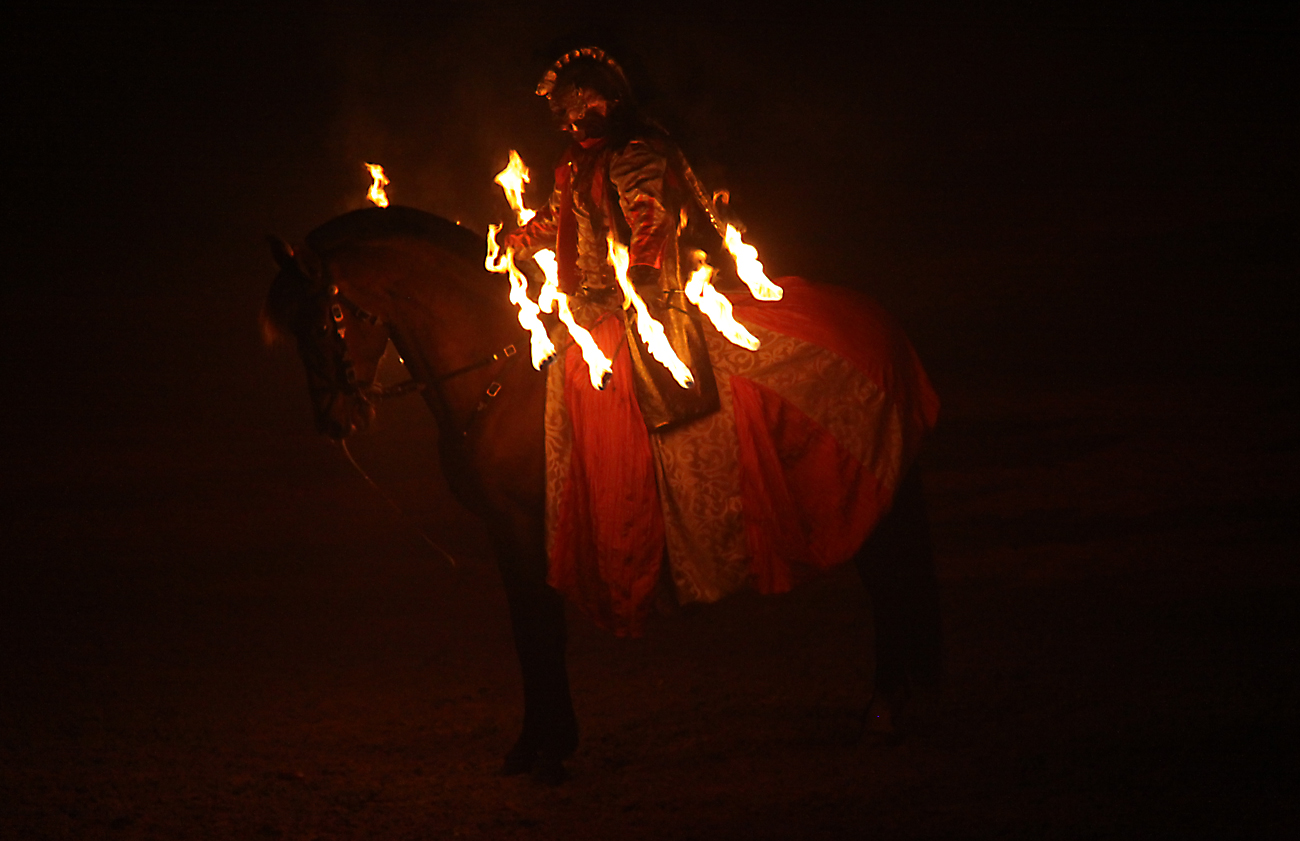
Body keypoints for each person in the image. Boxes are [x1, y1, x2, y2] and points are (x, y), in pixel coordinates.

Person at [502, 46, 718, 430]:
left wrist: (642, 271)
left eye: (579, 108)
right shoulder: (575, 161)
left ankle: (683, 427)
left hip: (641, 292)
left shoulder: (633, 150)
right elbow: (557, 216)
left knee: (656, 386)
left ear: (607, 102)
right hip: (590, 298)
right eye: (567, 112)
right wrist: (515, 241)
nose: (571, 120)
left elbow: (648, 212)